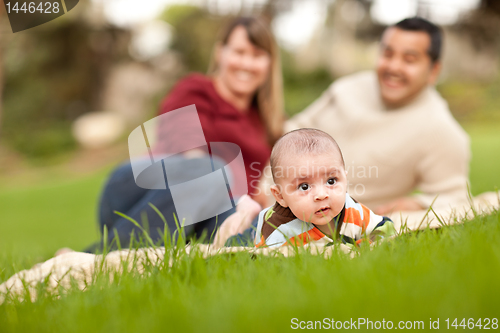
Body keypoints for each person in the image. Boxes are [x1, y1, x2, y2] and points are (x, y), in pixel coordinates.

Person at [216, 17, 471, 246]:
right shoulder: (347, 89)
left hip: (329, 218)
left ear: (433, 70)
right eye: (388, 54)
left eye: (409, 59)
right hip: (268, 198)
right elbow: (292, 131)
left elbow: (456, 197)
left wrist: (416, 203)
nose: (393, 66)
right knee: (203, 186)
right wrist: (266, 185)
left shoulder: (440, 130)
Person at [82, 16, 284, 253]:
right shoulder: (196, 90)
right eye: (240, 52)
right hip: (138, 193)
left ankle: (112, 256)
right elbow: (191, 154)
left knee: (251, 236)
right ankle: (95, 257)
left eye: (257, 55)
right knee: (211, 171)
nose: (247, 64)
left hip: (205, 213)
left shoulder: (266, 122)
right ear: (220, 53)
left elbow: (258, 188)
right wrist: (242, 201)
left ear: (269, 63)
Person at [253, 128, 395, 248]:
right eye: (304, 186)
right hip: (256, 229)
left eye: (331, 181)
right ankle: (246, 213)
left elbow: (385, 227)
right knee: (240, 236)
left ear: (345, 180)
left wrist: (365, 246)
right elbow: (268, 263)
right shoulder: (279, 231)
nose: (321, 195)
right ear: (281, 197)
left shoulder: (352, 210)